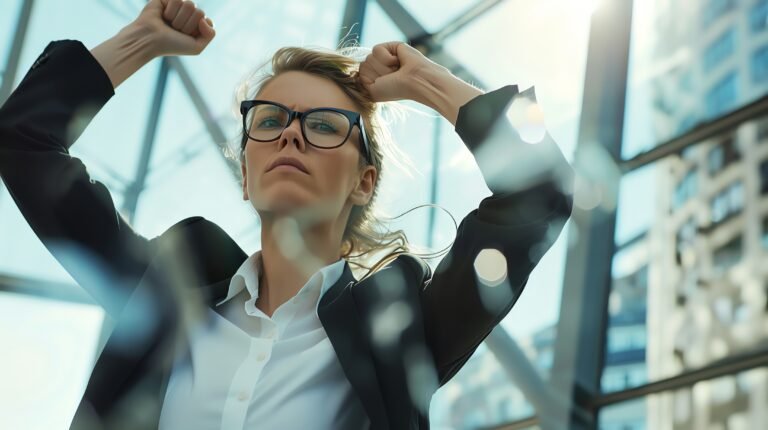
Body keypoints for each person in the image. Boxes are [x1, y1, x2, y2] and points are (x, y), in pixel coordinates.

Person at [0, 0, 574, 429]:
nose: (292, 135)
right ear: (246, 173)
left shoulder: (402, 331)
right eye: (270, 121)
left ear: (363, 181)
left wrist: (425, 80)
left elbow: (540, 194)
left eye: (324, 126)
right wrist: (141, 40)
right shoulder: (164, 292)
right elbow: (24, 142)